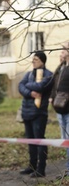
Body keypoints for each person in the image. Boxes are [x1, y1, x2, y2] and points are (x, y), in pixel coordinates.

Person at [18, 51, 53, 178]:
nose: (33, 61)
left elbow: (41, 86)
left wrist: (27, 86)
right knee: (31, 141)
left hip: (39, 113)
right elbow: (20, 86)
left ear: (42, 61)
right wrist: (30, 93)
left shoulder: (49, 75)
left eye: (36, 59)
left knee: (39, 140)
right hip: (26, 112)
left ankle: (41, 169)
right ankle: (31, 166)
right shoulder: (28, 74)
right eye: (33, 59)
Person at [49, 42, 69, 178]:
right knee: (65, 139)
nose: (62, 51)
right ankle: (68, 168)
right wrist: (52, 97)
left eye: (64, 49)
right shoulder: (61, 67)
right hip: (60, 109)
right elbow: (55, 85)